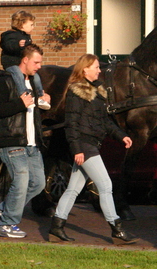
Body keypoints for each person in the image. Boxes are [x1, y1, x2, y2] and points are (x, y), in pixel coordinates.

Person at [49, 54, 136, 244]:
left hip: (90, 144)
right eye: (96, 67)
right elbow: (71, 124)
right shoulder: (75, 92)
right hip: (85, 146)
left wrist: (121, 135)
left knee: (73, 189)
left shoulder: (97, 92)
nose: (99, 70)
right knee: (105, 186)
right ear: (85, 69)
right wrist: (76, 150)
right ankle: (117, 230)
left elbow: (105, 122)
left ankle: (56, 228)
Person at [0, 44, 47, 238]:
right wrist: (19, 104)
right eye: (36, 62)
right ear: (25, 60)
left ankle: (3, 209)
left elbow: (33, 114)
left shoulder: (34, 84)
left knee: (38, 184)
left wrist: (44, 100)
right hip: (12, 141)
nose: (39, 66)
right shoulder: (5, 82)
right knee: (21, 182)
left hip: (31, 144)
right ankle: (6, 225)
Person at [0, 11, 51, 110]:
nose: (33, 27)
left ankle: (40, 96)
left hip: (21, 62)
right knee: (18, 74)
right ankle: (25, 95)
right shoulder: (9, 34)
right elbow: (7, 45)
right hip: (11, 63)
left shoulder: (26, 37)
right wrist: (17, 45)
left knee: (36, 76)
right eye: (31, 25)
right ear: (22, 24)